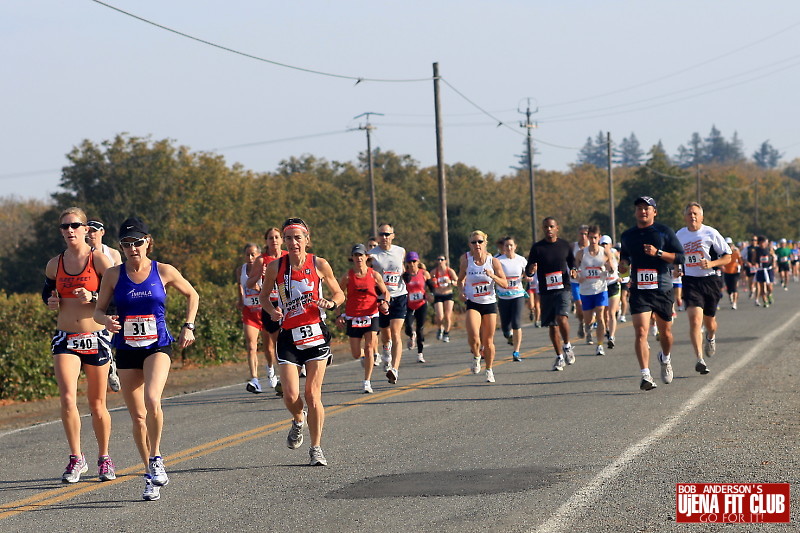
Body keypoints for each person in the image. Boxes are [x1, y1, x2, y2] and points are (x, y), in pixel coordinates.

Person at [94, 216, 199, 501]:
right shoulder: (114, 275)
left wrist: (188, 325)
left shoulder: (163, 270)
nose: (132, 248)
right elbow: (98, 311)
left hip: (158, 346)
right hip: (127, 349)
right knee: (137, 416)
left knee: (153, 400)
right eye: (126, 244)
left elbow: (193, 295)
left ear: (148, 242)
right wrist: (106, 321)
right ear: (122, 247)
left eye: (137, 242)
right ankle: (149, 475)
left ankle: (156, 458)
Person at [260, 217, 344, 467]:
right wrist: (273, 310)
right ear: (284, 242)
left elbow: (339, 292)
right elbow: (264, 296)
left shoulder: (319, 263)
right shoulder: (276, 267)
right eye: (289, 238)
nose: (294, 242)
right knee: (290, 394)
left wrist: (331, 303)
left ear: (307, 239)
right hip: (288, 336)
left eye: (298, 238)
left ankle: (316, 448)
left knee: (312, 393)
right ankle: (298, 419)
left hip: (316, 334)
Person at [44, 207, 115, 484]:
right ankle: (76, 458)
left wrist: (95, 295)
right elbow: (47, 293)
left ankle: (104, 457)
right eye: (64, 227)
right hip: (66, 337)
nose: (69, 230)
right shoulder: (54, 264)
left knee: (97, 404)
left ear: (86, 229)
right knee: (67, 399)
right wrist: (50, 302)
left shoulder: (99, 260)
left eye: (75, 225)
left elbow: (116, 296)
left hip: (95, 337)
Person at [619, 196, 684, 391]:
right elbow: (624, 261)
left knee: (666, 333)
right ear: (635, 212)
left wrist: (658, 253)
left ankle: (665, 358)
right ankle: (645, 375)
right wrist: (622, 267)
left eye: (647, 208)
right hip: (639, 290)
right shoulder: (627, 235)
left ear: (654, 212)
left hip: (662, 288)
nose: (643, 211)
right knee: (640, 331)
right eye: (639, 208)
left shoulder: (664, 232)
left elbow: (680, 256)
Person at [676, 202, 731, 376]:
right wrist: (677, 267)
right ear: (685, 217)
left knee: (710, 323)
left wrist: (712, 263)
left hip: (710, 281)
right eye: (689, 214)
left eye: (695, 214)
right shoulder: (679, 235)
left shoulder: (711, 233)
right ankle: (700, 359)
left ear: (702, 217)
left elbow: (728, 257)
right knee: (694, 320)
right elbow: (676, 257)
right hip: (690, 281)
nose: (692, 216)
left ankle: (711, 337)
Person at [525, 217, 577, 371]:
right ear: (543, 229)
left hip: (563, 288)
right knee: (552, 326)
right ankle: (559, 356)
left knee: (562, 318)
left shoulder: (564, 245)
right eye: (546, 227)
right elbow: (529, 268)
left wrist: (574, 270)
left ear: (557, 228)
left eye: (551, 226)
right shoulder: (537, 248)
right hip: (546, 291)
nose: (549, 229)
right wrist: (531, 270)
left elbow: (572, 262)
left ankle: (567, 346)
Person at [337, 244, 390, 393]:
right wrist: (338, 315)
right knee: (355, 353)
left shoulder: (374, 275)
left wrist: (384, 303)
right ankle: (365, 359)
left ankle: (367, 381)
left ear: (366, 257)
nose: (358, 258)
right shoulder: (347, 276)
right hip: (353, 316)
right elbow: (339, 296)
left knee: (369, 348)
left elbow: (385, 292)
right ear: (352, 258)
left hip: (371, 315)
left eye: (361, 255)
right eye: (355, 255)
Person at [458, 230, 508, 382]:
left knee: (488, 340)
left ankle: (489, 369)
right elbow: (460, 280)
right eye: (474, 242)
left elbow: (504, 283)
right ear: (470, 245)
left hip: (489, 303)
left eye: (480, 242)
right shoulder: (466, 261)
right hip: (473, 302)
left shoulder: (493, 262)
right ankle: (476, 355)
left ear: (485, 243)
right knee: (473, 336)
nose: (477, 245)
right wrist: (460, 291)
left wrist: (492, 275)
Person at [246, 228, 286, 395]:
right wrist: (259, 276)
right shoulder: (261, 260)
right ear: (266, 241)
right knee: (277, 343)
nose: (274, 240)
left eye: (277, 237)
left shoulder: (287, 256)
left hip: (287, 302)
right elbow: (249, 284)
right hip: (269, 303)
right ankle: (279, 374)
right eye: (270, 238)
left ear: (282, 240)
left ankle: (287, 374)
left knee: (289, 338)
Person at [367, 223, 408, 384]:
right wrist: (379, 297)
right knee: (386, 333)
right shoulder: (371, 255)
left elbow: (402, 269)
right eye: (381, 234)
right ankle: (386, 349)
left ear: (393, 235)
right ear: (377, 236)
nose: (384, 237)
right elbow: (368, 277)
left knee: (396, 332)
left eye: (387, 234)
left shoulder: (400, 251)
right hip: (381, 298)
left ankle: (394, 369)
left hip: (399, 295)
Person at [86, 219, 122, 393]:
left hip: (112, 302)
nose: (91, 234)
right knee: (101, 339)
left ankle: (116, 366)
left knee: (111, 337)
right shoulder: (82, 254)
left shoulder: (113, 254)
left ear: (102, 232)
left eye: (94, 231)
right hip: (92, 303)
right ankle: (109, 368)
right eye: (88, 231)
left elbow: (120, 281)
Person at [575, 226, 616, 356]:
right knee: (588, 320)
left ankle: (599, 345)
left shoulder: (605, 252)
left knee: (600, 315)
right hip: (586, 290)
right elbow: (574, 270)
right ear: (587, 237)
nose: (593, 240)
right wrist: (577, 276)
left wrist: (609, 268)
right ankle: (588, 329)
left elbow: (612, 269)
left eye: (595, 237)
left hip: (601, 288)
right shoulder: (581, 253)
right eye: (590, 237)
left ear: (599, 237)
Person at [237, 243, 267, 394]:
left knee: (270, 348)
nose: (250, 258)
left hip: (265, 311)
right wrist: (240, 300)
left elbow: (271, 290)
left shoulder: (265, 268)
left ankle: (272, 374)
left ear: (259, 255)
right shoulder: (241, 270)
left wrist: (259, 289)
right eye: (247, 254)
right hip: (250, 312)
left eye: (253, 255)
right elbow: (240, 286)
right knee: (251, 346)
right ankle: (255, 379)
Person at [496, 236, 529, 361]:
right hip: (503, 296)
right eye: (506, 246)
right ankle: (508, 335)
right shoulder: (498, 260)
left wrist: (528, 277)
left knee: (516, 323)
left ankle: (516, 351)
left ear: (515, 246)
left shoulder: (521, 260)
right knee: (505, 326)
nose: (509, 248)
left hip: (517, 295)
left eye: (511, 245)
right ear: (503, 248)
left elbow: (528, 273)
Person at [403, 251, 433, 363]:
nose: (412, 264)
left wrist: (432, 295)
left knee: (420, 329)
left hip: (421, 304)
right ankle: (411, 335)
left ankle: (420, 353)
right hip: (409, 305)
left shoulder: (424, 273)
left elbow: (431, 286)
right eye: (410, 262)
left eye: (414, 261)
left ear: (418, 261)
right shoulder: (405, 275)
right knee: (408, 327)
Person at [430, 254, 457, 343]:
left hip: (448, 294)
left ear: (445, 261)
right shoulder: (434, 272)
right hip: (438, 295)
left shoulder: (449, 271)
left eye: (442, 259)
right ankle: (440, 328)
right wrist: (432, 285)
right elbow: (429, 283)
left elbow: (457, 281)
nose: (440, 261)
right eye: (438, 260)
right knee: (439, 316)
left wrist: (451, 281)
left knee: (448, 316)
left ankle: (446, 333)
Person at [600, 235, 620, 349]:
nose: (604, 246)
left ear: (610, 245)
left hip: (613, 284)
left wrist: (622, 276)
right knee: (604, 314)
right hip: (602, 286)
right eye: (602, 244)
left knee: (611, 312)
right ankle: (607, 330)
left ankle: (611, 337)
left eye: (606, 244)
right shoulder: (597, 255)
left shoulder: (615, 254)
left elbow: (624, 266)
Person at [571, 225, 590, 337]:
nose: (583, 236)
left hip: (590, 282)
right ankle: (581, 322)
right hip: (576, 282)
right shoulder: (573, 247)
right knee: (579, 305)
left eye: (585, 234)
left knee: (590, 308)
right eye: (581, 234)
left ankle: (589, 327)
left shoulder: (593, 248)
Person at [722, 237, 744, 309]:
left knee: (734, 288)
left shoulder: (736, 252)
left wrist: (740, 267)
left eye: (730, 244)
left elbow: (740, 261)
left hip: (735, 272)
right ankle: (730, 296)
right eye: (727, 244)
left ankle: (734, 303)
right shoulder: (723, 252)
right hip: (727, 272)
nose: (729, 246)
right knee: (728, 289)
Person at [754, 235, 776, 307]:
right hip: (760, 270)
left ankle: (770, 294)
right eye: (764, 242)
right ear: (760, 242)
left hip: (769, 269)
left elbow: (773, 257)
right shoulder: (756, 250)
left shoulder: (769, 249)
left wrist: (774, 264)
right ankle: (765, 301)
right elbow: (754, 260)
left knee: (770, 287)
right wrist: (755, 264)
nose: (765, 243)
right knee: (762, 287)